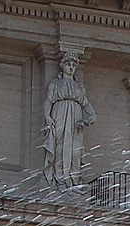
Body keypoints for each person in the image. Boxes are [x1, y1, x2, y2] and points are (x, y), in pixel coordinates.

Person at [43, 50, 96, 188]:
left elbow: (85, 103)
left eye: (74, 64)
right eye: (68, 64)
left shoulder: (79, 86)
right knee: (60, 146)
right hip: (60, 114)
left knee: (75, 149)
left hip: (75, 117)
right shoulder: (56, 84)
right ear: (62, 65)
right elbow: (49, 100)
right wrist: (47, 116)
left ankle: (73, 177)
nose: (71, 67)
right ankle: (60, 177)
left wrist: (92, 114)